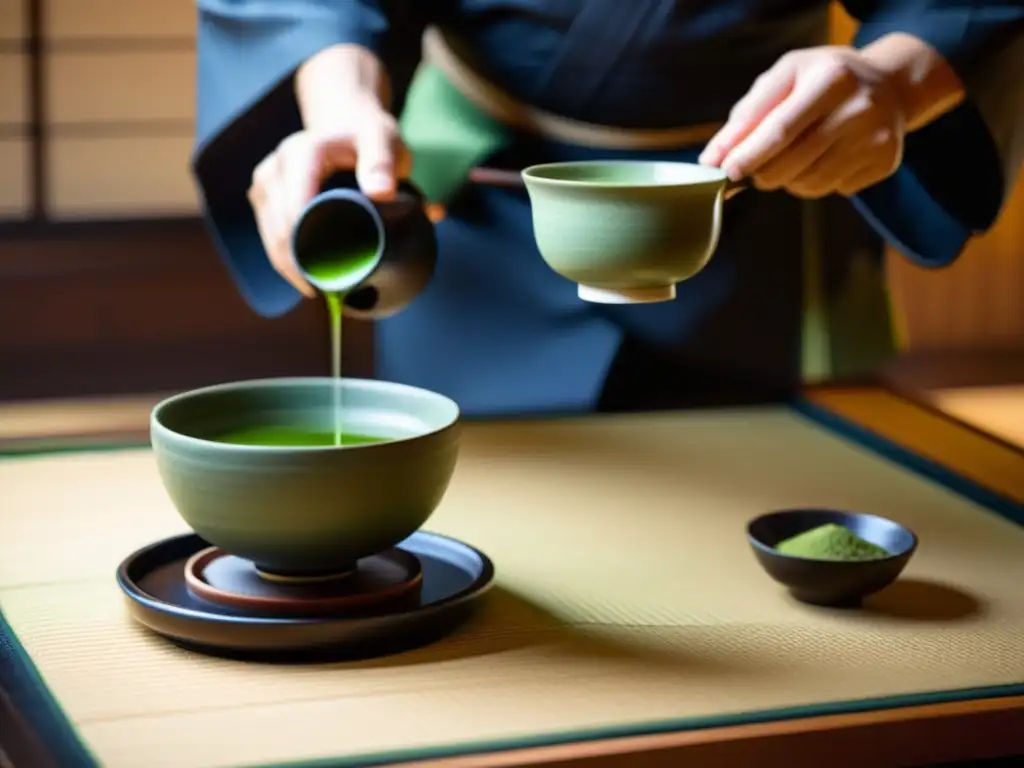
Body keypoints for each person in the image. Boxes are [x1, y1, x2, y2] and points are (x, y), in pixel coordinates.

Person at [192, 0, 1023, 417]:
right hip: (477, 188)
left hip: (753, 177)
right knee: (475, 509)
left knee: (733, 520)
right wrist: (339, 102)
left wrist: (896, 78)